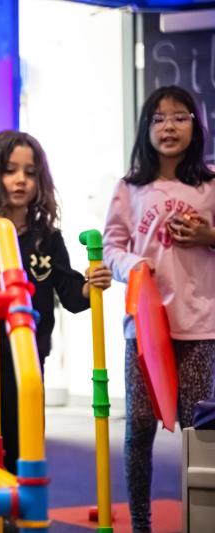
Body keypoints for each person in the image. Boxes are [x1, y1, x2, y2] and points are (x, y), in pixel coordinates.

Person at [0, 129, 112, 475]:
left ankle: (17, 516)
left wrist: (91, 286)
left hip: (28, 360)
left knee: (23, 443)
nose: (20, 181)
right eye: (10, 170)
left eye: (29, 173)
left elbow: (71, 292)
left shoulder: (47, 239)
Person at [103, 85, 215, 533]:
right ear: (146, 128)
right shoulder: (130, 187)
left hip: (200, 325)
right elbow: (112, 247)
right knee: (139, 430)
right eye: (158, 118)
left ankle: (198, 519)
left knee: (197, 430)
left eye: (180, 117)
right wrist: (135, 265)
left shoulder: (209, 183)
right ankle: (142, 523)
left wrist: (208, 236)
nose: (169, 127)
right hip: (145, 330)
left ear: (196, 125)